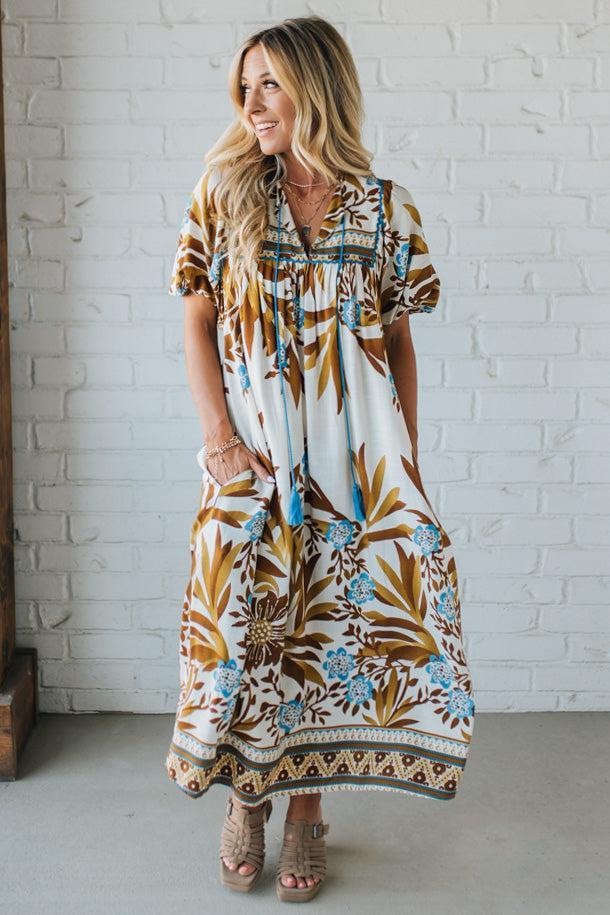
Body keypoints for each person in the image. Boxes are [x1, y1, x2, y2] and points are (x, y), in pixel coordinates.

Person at [164, 15, 476, 903]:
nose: (251, 102)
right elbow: (193, 316)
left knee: (325, 637)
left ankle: (305, 812)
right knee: (243, 636)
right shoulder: (223, 191)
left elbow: (400, 343)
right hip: (251, 465)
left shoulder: (387, 207)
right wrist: (218, 440)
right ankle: (248, 797)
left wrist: (402, 466)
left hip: (356, 470)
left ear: (317, 87)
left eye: (270, 83)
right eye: (245, 84)